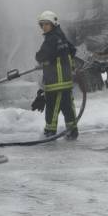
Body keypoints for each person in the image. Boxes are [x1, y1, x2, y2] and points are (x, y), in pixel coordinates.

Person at [35, 10, 78, 139]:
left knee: (52, 109)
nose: (44, 27)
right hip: (65, 81)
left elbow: (40, 56)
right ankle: (72, 131)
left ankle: (50, 133)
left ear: (53, 24)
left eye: (46, 24)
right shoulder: (61, 36)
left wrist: (46, 60)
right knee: (67, 108)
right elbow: (72, 50)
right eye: (42, 25)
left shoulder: (51, 39)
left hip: (56, 83)